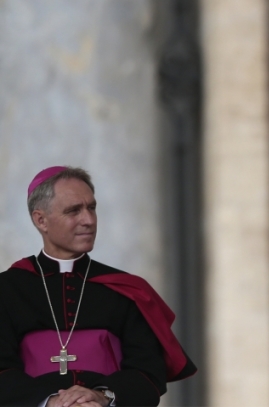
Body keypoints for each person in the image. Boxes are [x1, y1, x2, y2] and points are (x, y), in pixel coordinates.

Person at [0, 167, 196, 406]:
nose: (89, 220)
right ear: (41, 220)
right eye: (74, 211)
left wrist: (103, 396)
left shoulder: (126, 290)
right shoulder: (7, 290)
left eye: (91, 208)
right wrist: (49, 402)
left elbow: (147, 372)